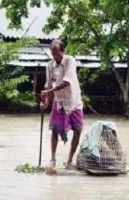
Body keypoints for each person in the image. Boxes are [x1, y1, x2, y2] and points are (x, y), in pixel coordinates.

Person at [40, 39, 83, 169]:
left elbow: (66, 82)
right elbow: (47, 84)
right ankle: (52, 159)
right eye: (53, 54)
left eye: (57, 54)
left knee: (78, 130)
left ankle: (70, 160)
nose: (55, 56)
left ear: (63, 51)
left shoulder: (70, 60)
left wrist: (49, 91)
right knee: (54, 130)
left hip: (73, 101)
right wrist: (44, 102)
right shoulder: (49, 66)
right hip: (59, 102)